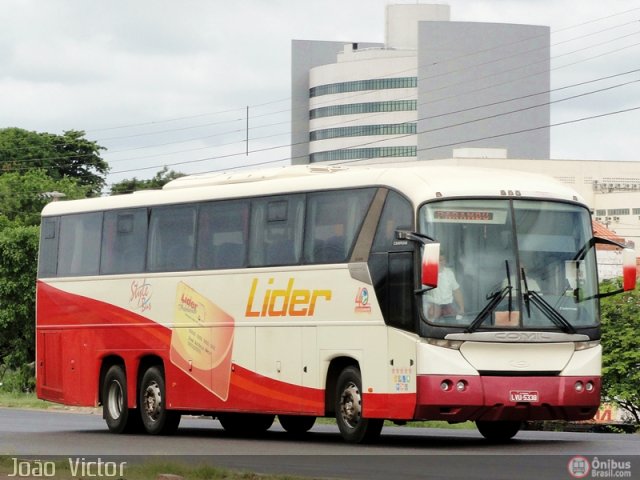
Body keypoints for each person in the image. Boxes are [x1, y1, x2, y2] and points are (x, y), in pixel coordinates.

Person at [424, 253, 465, 320]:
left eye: (442, 260)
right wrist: (428, 306)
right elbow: (421, 293)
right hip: (433, 308)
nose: (441, 262)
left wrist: (462, 308)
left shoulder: (449, 273)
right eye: (439, 260)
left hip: (448, 307)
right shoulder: (427, 273)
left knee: (453, 324)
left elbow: (456, 291)